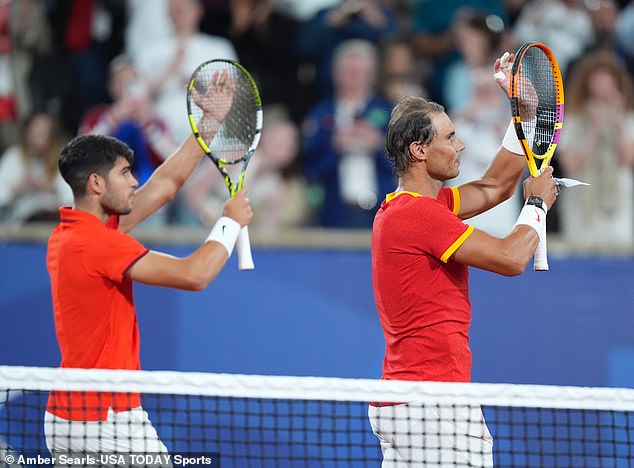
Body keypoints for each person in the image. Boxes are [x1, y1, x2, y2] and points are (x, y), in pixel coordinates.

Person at [43, 71, 253, 457]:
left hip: (66, 416)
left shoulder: (72, 232)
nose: (134, 181)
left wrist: (208, 125)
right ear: (96, 184)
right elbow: (195, 274)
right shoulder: (98, 244)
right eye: (124, 174)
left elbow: (164, 185)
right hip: (106, 419)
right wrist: (229, 223)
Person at [368, 52, 558, 466]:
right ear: (419, 150)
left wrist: (522, 114)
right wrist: (539, 205)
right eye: (450, 137)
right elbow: (511, 258)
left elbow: (494, 186)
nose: (461, 144)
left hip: (410, 404)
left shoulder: (416, 206)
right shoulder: (418, 215)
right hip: (433, 405)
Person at [301, 39, 395, 228]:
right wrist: (335, 147)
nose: (356, 78)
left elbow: (408, 167)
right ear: (336, 74)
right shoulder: (321, 114)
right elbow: (309, 169)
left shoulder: (389, 113)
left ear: (372, 76)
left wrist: (379, 145)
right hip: (333, 211)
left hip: (383, 211)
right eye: (350, 72)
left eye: (362, 73)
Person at [556, 51, 634, 246]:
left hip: (618, 202)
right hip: (581, 202)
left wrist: (616, 124)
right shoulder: (574, 119)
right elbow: (570, 165)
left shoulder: (627, 119)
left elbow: (628, 158)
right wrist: (594, 131)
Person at [0, 111, 72, 223]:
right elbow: (2, 196)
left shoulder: (64, 157)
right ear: (27, 133)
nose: (40, 135)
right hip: (22, 222)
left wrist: (50, 186)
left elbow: (71, 198)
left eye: (44, 131)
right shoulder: (14, 157)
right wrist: (18, 188)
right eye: (36, 131)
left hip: (55, 219)